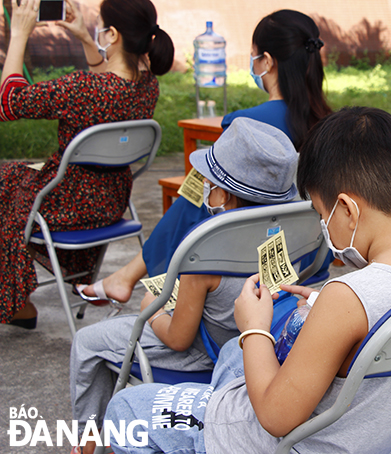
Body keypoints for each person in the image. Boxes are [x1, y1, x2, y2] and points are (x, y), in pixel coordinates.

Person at [99, 106, 391, 454]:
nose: (324, 227)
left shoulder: (349, 299)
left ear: (348, 210)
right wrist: (325, 310)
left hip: (285, 442)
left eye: (323, 214)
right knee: (231, 354)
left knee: (127, 409)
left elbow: (275, 418)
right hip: (363, 436)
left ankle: (209, 433)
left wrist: (254, 327)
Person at [69, 117, 299, 454]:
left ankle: (88, 443)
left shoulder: (204, 251)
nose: (203, 184)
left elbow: (178, 338)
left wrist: (154, 308)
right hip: (256, 342)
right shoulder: (290, 231)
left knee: (87, 341)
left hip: (208, 352)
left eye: (209, 180)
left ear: (223, 193)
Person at [77, 9, 333, 306]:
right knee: (201, 188)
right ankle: (126, 276)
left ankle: (130, 276)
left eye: (253, 57)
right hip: (308, 258)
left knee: (197, 189)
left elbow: (207, 200)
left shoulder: (246, 126)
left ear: (267, 61)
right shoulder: (332, 127)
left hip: (246, 259)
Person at [0, 0, 174, 328]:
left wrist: (19, 35)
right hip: (110, 202)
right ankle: (16, 296)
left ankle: (13, 299)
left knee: (6, 182)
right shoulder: (147, 84)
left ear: (112, 34)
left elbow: (9, 104)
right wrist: (83, 36)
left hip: (65, 203)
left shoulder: (84, 88)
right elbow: (106, 81)